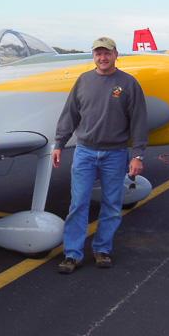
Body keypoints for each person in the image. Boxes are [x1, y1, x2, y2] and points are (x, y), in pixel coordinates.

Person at [52, 36, 147, 274]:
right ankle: (72, 254)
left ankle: (102, 249)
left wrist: (138, 155)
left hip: (115, 154)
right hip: (85, 152)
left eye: (107, 53)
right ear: (94, 56)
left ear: (116, 55)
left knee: (112, 205)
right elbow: (70, 114)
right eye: (98, 53)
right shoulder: (83, 81)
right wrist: (59, 143)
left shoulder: (129, 83)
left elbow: (138, 121)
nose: (103, 57)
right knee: (78, 203)